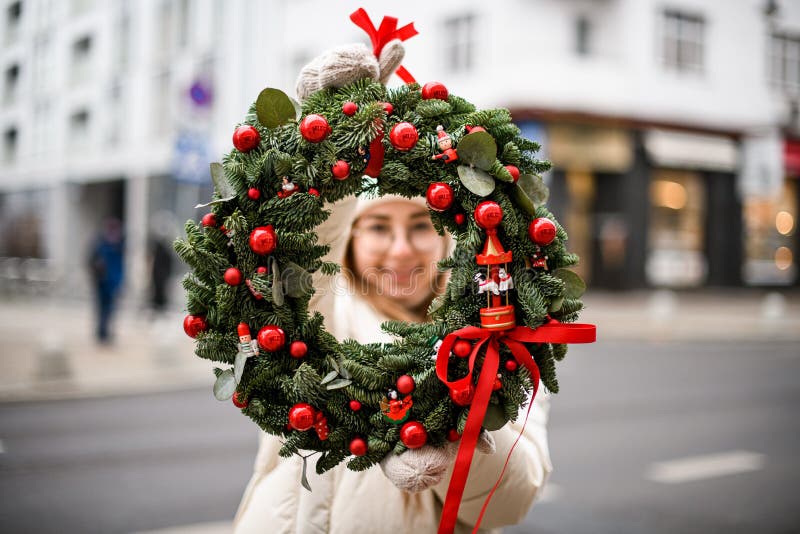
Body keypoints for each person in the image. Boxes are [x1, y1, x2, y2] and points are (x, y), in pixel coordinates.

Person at [232, 195, 552, 534]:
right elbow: (311, 241)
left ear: (446, 236)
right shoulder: (320, 317)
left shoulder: (500, 344)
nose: (401, 250)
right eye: (378, 227)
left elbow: (508, 503)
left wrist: (456, 418)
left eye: (420, 225)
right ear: (349, 235)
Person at [87, 217, 125, 343]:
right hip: (102, 283)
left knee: (110, 309)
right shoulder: (100, 244)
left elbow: (119, 265)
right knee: (102, 308)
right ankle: (101, 332)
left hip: (113, 283)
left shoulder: (119, 245)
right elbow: (91, 262)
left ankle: (105, 332)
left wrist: (120, 281)